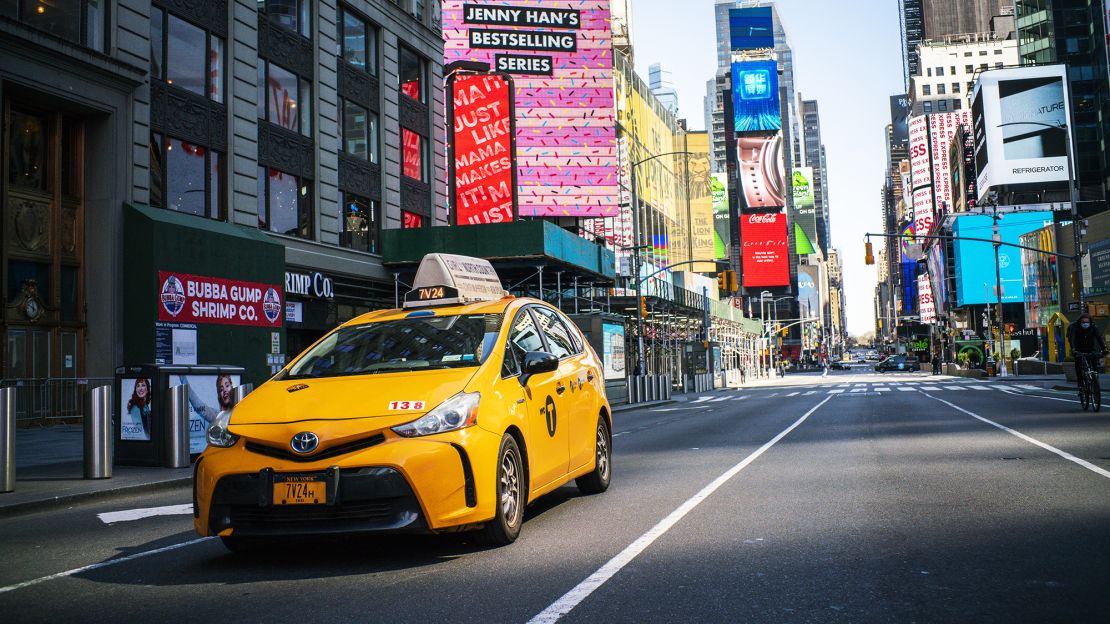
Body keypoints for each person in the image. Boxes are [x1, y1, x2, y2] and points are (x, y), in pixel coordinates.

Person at [1067, 313, 1107, 386]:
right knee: (1079, 366)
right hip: (1078, 349)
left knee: (1094, 364)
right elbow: (1072, 338)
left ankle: (1095, 380)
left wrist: (1104, 348)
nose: (1085, 324)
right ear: (1080, 322)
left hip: (1090, 348)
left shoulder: (1093, 327)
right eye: (1083, 322)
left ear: (1090, 322)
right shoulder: (1075, 327)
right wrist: (1073, 349)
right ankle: (1080, 384)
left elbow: (1099, 338)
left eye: (1087, 322)